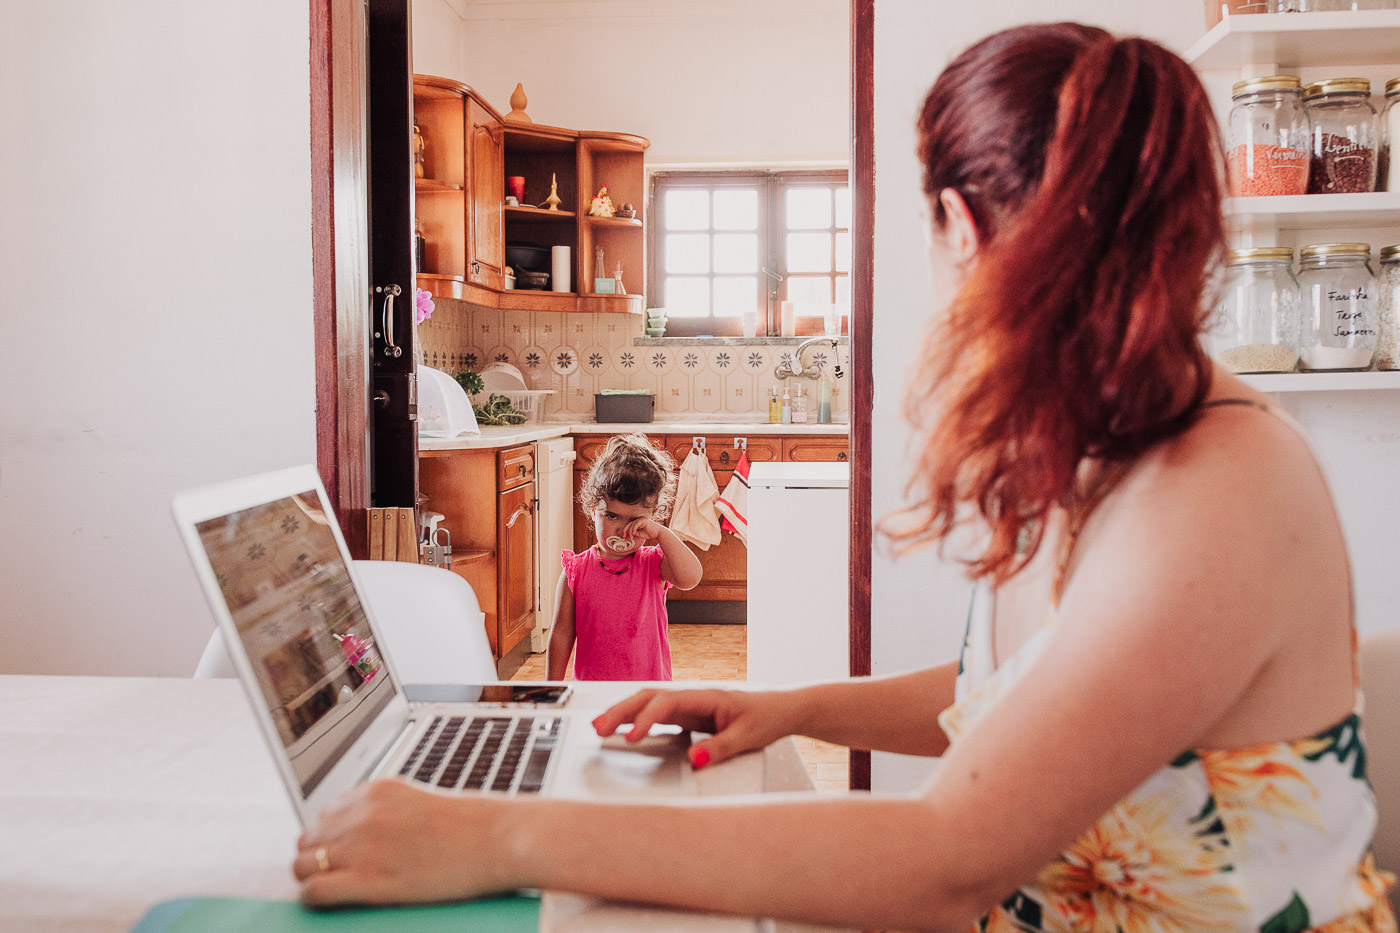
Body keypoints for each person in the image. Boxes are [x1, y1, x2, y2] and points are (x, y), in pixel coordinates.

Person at [293, 23, 1397, 930]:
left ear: (960, 229)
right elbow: (1011, 701)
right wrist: (790, 707)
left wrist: (495, 834)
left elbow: (943, 856)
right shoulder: (1099, 444)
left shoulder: (1218, 491)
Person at [546, 432, 702, 680]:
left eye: (635, 519)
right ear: (592, 510)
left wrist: (662, 534)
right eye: (612, 516)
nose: (622, 530)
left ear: (652, 516)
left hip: (648, 691)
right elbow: (562, 634)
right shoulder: (575, 570)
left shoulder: (655, 563)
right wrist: (551, 687)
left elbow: (690, 578)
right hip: (593, 691)